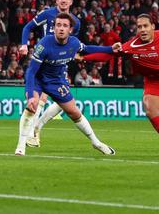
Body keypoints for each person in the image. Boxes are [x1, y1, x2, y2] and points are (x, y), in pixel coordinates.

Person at [68, 14, 159, 157]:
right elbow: (109, 55)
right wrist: (83, 58)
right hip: (153, 82)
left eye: (145, 26)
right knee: (151, 112)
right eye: (139, 27)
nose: (142, 30)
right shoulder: (131, 46)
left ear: (152, 27)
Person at [15, 12, 115, 156]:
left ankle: (96, 142)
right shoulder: (44, 44)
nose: (61, 28)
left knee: (74, 112)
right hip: (38, 79)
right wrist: (30, 95)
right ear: (54, 28)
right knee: (33, 106)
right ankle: (20, 146)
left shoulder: (74, 43)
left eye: (65, 26)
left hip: (56, 81)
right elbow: (31, 71)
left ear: (70, 29)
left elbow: (88, 49)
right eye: (58, 25)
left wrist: (110, 49)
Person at [20, 0, 80, 146]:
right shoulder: (47, 14)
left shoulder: (75, 22)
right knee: (42, 97)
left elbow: (72, 41)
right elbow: (27, 27)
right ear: (57, 0)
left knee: (64, 102)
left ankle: (37, 126)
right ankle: (32, 133)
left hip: (61, 62)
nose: (64, 1)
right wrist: (24, 45)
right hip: (44, 58)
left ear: (71, 1)